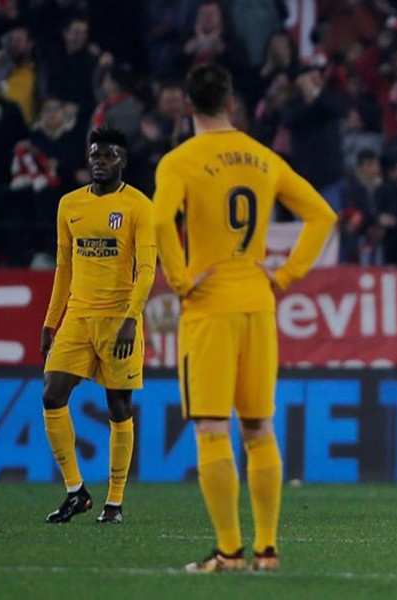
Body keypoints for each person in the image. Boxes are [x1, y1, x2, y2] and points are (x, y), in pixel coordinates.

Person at [153, 64, 336, 573]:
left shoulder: (179, 161)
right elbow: (323, 214)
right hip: (259, 301)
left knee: (212, 428)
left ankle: (230, 552)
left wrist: (181, 280)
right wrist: (285, 275)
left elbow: (159, 219)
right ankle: (268, 549)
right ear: (231, 105)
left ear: (188, 106)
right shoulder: (262, 157)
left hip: (210, 306)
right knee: (259, 428)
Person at [40, 126, 156, 525]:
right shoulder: (69, 204)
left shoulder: (140, 207)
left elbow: (146, 270)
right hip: (77, 316)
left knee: (118, 406)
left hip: (118, 318)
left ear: (122, 161)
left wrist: (131, 318)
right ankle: (76, 491)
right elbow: (64, 267)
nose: (99, 162)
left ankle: (115, 501)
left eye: (107, 156)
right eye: (94, 155)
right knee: (52, 395)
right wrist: (50, 320)